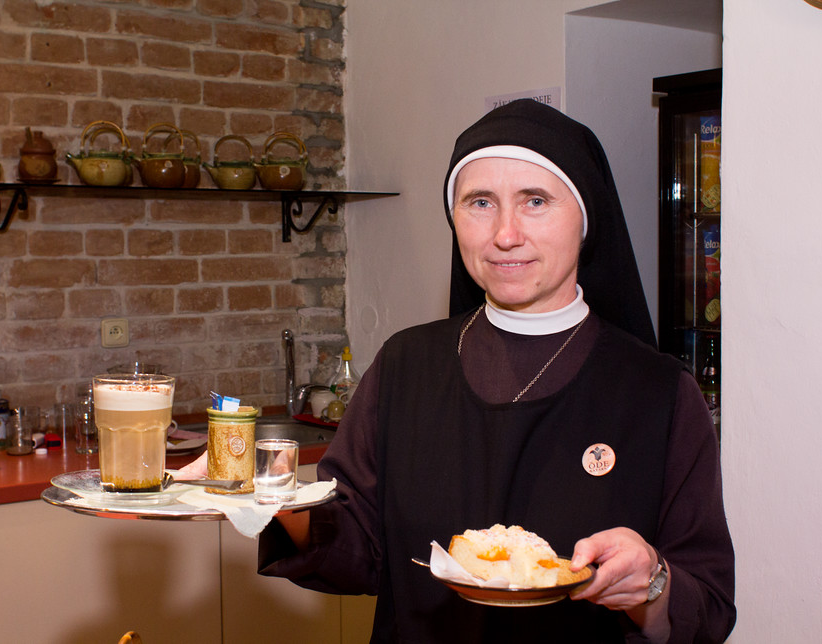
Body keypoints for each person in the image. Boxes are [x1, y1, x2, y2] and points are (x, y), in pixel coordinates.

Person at [186, 99, 736, 642]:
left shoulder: (659, 394)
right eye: (480, 202)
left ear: (587, 219)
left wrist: (653, 585)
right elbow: (356, 552)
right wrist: (274, 495)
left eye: (536, 201)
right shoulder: (405, 367)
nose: (505, 233)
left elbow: (706, 612)